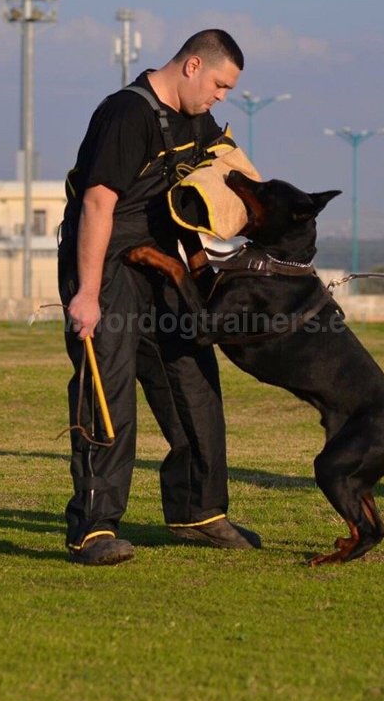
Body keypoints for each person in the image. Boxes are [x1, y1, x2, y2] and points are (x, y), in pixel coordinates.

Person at [58, 29, 261, 565]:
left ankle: (199, 512)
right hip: (104, 262)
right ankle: (94, 529)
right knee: (110, 389)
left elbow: (221, 179)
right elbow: (97, 206)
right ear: (192, 66)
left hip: (160, 263)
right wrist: (87, 294)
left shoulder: (196, 119)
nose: (221, 97)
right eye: (219, 84)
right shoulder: (127, 114)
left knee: (192, 378)